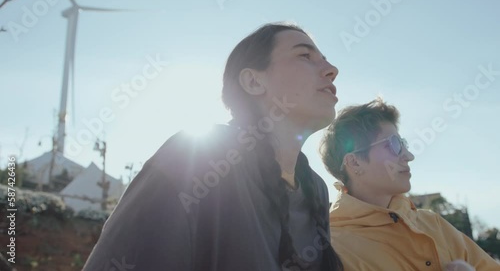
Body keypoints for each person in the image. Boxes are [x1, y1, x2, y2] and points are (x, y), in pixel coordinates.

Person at [83, 23, 344, 271]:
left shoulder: (315, 190)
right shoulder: (195, 157)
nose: (332, 69)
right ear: (254, 82)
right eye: (305, 56)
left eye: (325, 59)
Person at [320, 98, 500, 271]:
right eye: (394, 144)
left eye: (403, 143)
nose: (409, 155)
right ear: (354, 162)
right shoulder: (331, 247)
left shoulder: (434, 224)